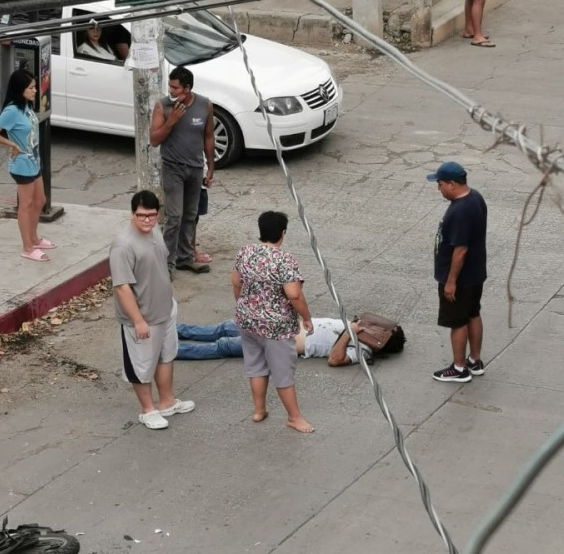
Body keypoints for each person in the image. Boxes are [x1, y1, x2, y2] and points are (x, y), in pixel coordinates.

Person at [109, 190, 195, 430]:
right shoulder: (122, 246)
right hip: (143, 317)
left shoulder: (155, 231)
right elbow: (122, 287)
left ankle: (167, 401)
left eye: (151, 215)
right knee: (141, 364)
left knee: (166, 356)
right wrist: (137, 320)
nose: (146, 220)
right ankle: (147, 410)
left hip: (165, 310)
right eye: (141, 215)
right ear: (132, 214)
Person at [231, 211, 315, 433]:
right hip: (275, 326)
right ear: (283, 233)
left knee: (255, 364)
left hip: (247, 320)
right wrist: (306, 317)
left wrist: (245, 306)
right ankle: (294, 417)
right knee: (282, 370)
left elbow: (236, 282)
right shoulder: (284, 260)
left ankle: (259, 410)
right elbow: (294, 294)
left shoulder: (246, 252)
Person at [150, 66, 214, 277]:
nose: (171, 90)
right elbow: (154, 140)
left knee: (190, 215)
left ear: (187, 88)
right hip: (172, 168)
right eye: (170, 85)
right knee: (174, 217)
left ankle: (185, 258)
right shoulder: (163, 106)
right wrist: (172, 121)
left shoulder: (205, 105)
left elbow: (208, 137)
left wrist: (211, 167)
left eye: (175, 87)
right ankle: (166, 263)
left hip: (195, 169)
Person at [427, 161, 488, 383]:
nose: (439, 188)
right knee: (473, 313)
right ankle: (475, 360)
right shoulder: (475, 198)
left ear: (452, 184)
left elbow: (460, 250)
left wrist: (451, 281)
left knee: (457, 321)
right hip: (475, 275)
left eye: (440, 184)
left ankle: (459, 367)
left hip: (460, 279)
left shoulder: (461, 210)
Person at [0, 69, 55, 262]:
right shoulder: (11, 111)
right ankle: (27, 247)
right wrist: (12, 144)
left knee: (40, 200)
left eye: (35, 87)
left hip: (34, 161)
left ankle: (34, 239)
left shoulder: (26, 106)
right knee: (26, 205)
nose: (35, 90)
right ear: (20, 89)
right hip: (22, 164)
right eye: (31, 87)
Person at [177, 317, 406, 366]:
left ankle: (169, 352)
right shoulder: (358, 324)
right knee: (224, 328)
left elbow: (335, 359)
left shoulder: (363, 350)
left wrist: (350, 332)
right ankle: (172, 330)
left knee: (224, 345)